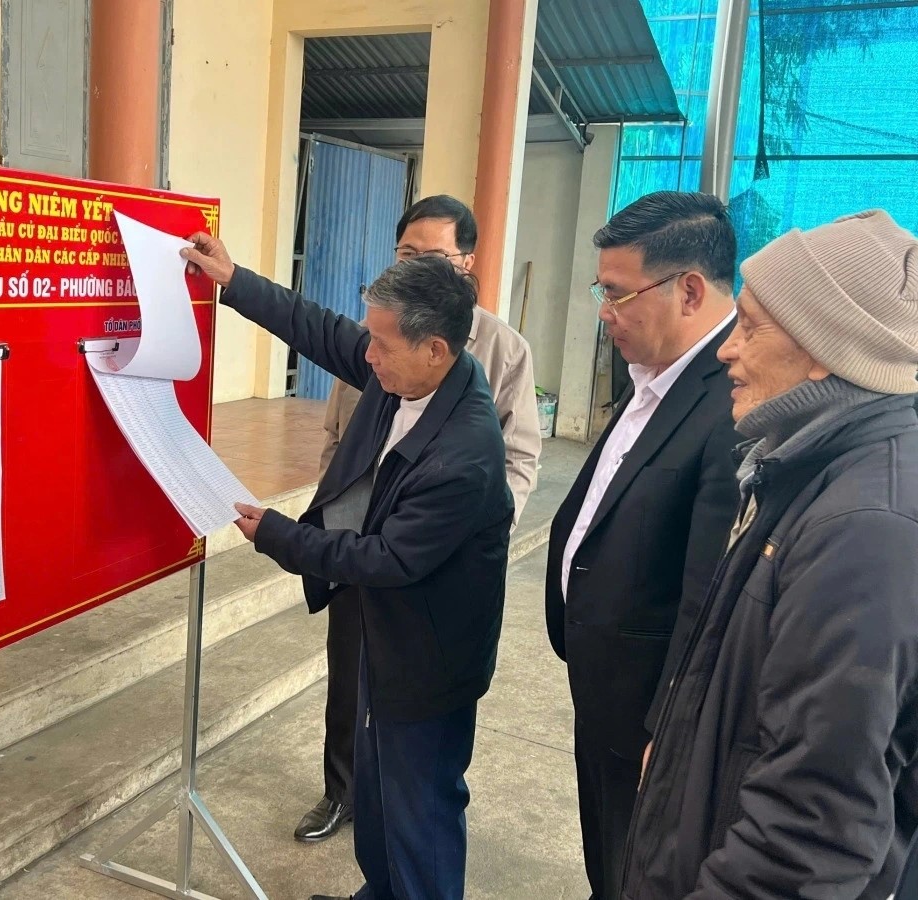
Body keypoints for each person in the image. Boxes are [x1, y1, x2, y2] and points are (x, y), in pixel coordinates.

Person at [181, 235, 512, 900]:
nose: (367, 355)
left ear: (435, 349)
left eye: (381, 344)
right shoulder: (414, 374)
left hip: (428, 658)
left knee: (420, 809)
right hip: (388, 630)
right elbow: (321, 330)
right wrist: (234, 280)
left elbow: (386, 557)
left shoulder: (463, 454)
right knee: (379, 796)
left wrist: (278, 535)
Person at [622, 209, 918, 900]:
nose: (727, 349)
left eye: (751, 327)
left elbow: (808, 833)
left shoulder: (864, 530)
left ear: (824, 348)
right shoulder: (811, 467)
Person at [297, 194, 541, 844]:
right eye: (406, 253)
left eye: (431, 255)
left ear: (466, 263)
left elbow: (518, 457)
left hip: (430, 559)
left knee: (412, 714)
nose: (414, 266)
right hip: (358, 545)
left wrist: (468, 534)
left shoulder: (501, 349)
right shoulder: (381, 334)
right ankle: (342, 791)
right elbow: (341, 426)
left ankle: (398, 816)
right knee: (349, 679)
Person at [544, 191, 743, 900]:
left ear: (688, 290)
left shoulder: (730, 402)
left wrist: (672, 728)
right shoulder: (656, 373)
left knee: (638, 872)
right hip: (605, 686)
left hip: (650, 715)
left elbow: (708, 596)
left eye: (617, 293)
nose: (605, 311)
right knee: (608, 862)